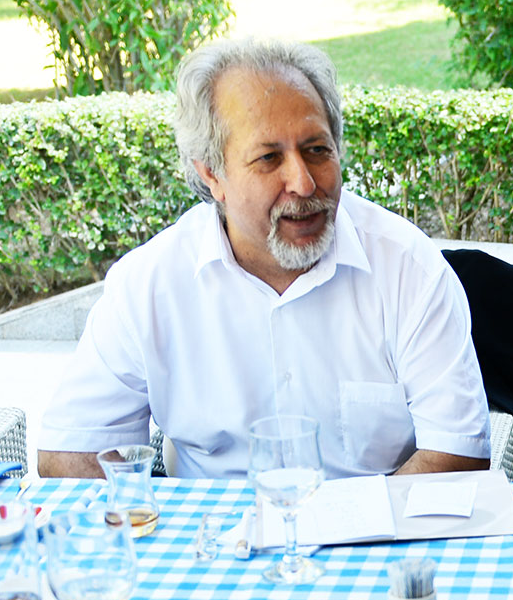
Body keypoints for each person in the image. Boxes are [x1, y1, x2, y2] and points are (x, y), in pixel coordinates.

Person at [36, 37, 489, 479]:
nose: (304, 183)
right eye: (269, 158)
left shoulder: (407, 267)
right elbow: (70, 452)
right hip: (213, 543)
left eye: (317, 150)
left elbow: (457, 452)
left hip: (374, 544)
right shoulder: (150, 283)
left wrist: (343, 527)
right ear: (211, 174)